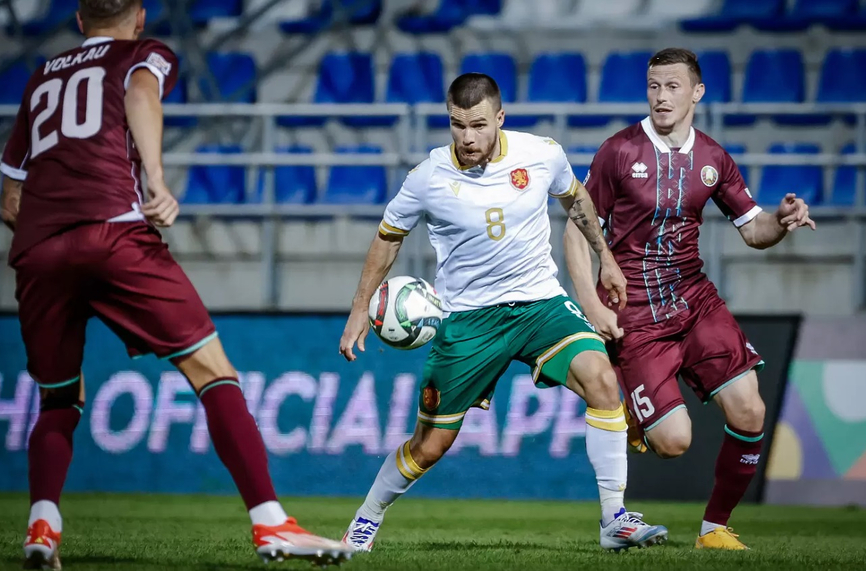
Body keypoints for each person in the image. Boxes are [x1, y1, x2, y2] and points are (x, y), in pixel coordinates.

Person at [0, 1, 352, 568]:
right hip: (114, 233)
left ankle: (42, 524)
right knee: (214, 372)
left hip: (37, 251)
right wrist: (155, 181)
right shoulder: (145, 53)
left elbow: (10, 198)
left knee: (58, 400)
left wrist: (55, 238)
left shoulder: (41, 76)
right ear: (139, 17)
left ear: (78, 19)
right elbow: (141, 94)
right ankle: (271, 525)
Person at [337, 72, 668, 554]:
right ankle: (364, 522)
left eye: (477, 125)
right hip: (469, 321)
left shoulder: (541, 153)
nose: (467, 138)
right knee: (430, 446)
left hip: (540, 305)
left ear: (500, 119)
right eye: (456, 126)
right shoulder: (427, 178)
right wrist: (359, 308)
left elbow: (574, 196)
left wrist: (608, 260)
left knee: (601, 379)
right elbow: (388, 236)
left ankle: (614, 519)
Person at [569, 48, 815, 550]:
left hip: (693, 297)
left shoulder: (713, 159)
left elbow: (754, 231)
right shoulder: (618, 151)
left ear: (697, 92)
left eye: (673, 86)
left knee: (750, 410)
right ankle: (637, 413)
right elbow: (577, 226)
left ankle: (715, 529)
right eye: (654, 86)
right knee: (673, 443)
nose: (661, 96)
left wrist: (783, 221)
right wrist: (592, 304)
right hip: (634, 309)